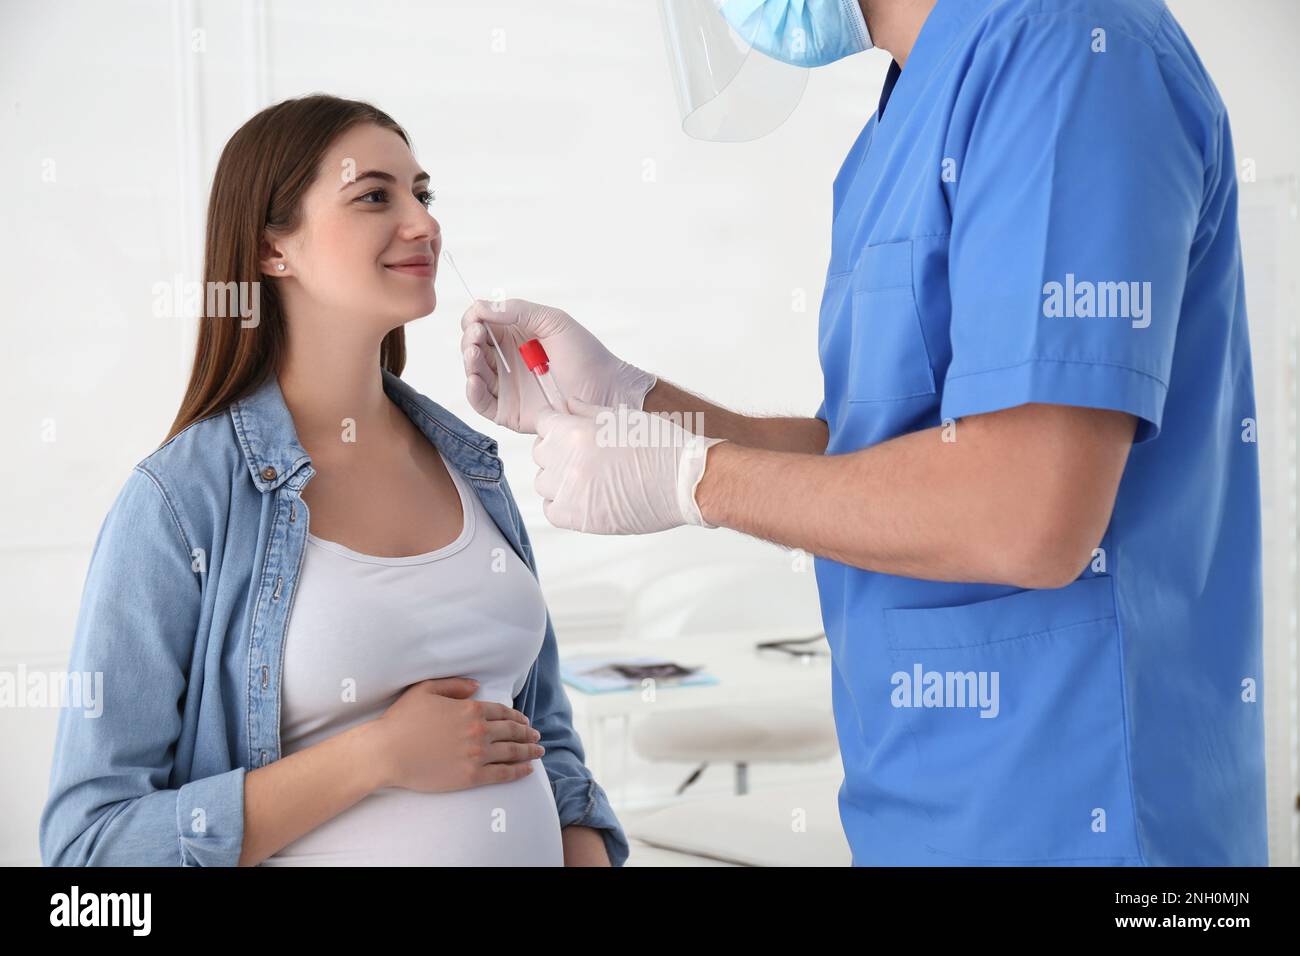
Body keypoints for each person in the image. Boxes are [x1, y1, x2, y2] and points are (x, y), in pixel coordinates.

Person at [460, 0, 1268, 865]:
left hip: (1080, 811)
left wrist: (693, 478)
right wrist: (643, 404)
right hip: (922, 807)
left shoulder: (1068, 50)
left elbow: (1029, 510)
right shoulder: (904, 116)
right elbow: (879, 460)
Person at [39, 94, 627, 867]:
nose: (422, 223)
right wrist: (376, 755)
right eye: (374, 196)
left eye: (422, 193)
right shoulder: (181, 503)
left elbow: (545, 740)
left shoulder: (473, 466)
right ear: (271, 251)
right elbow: (90, 849)